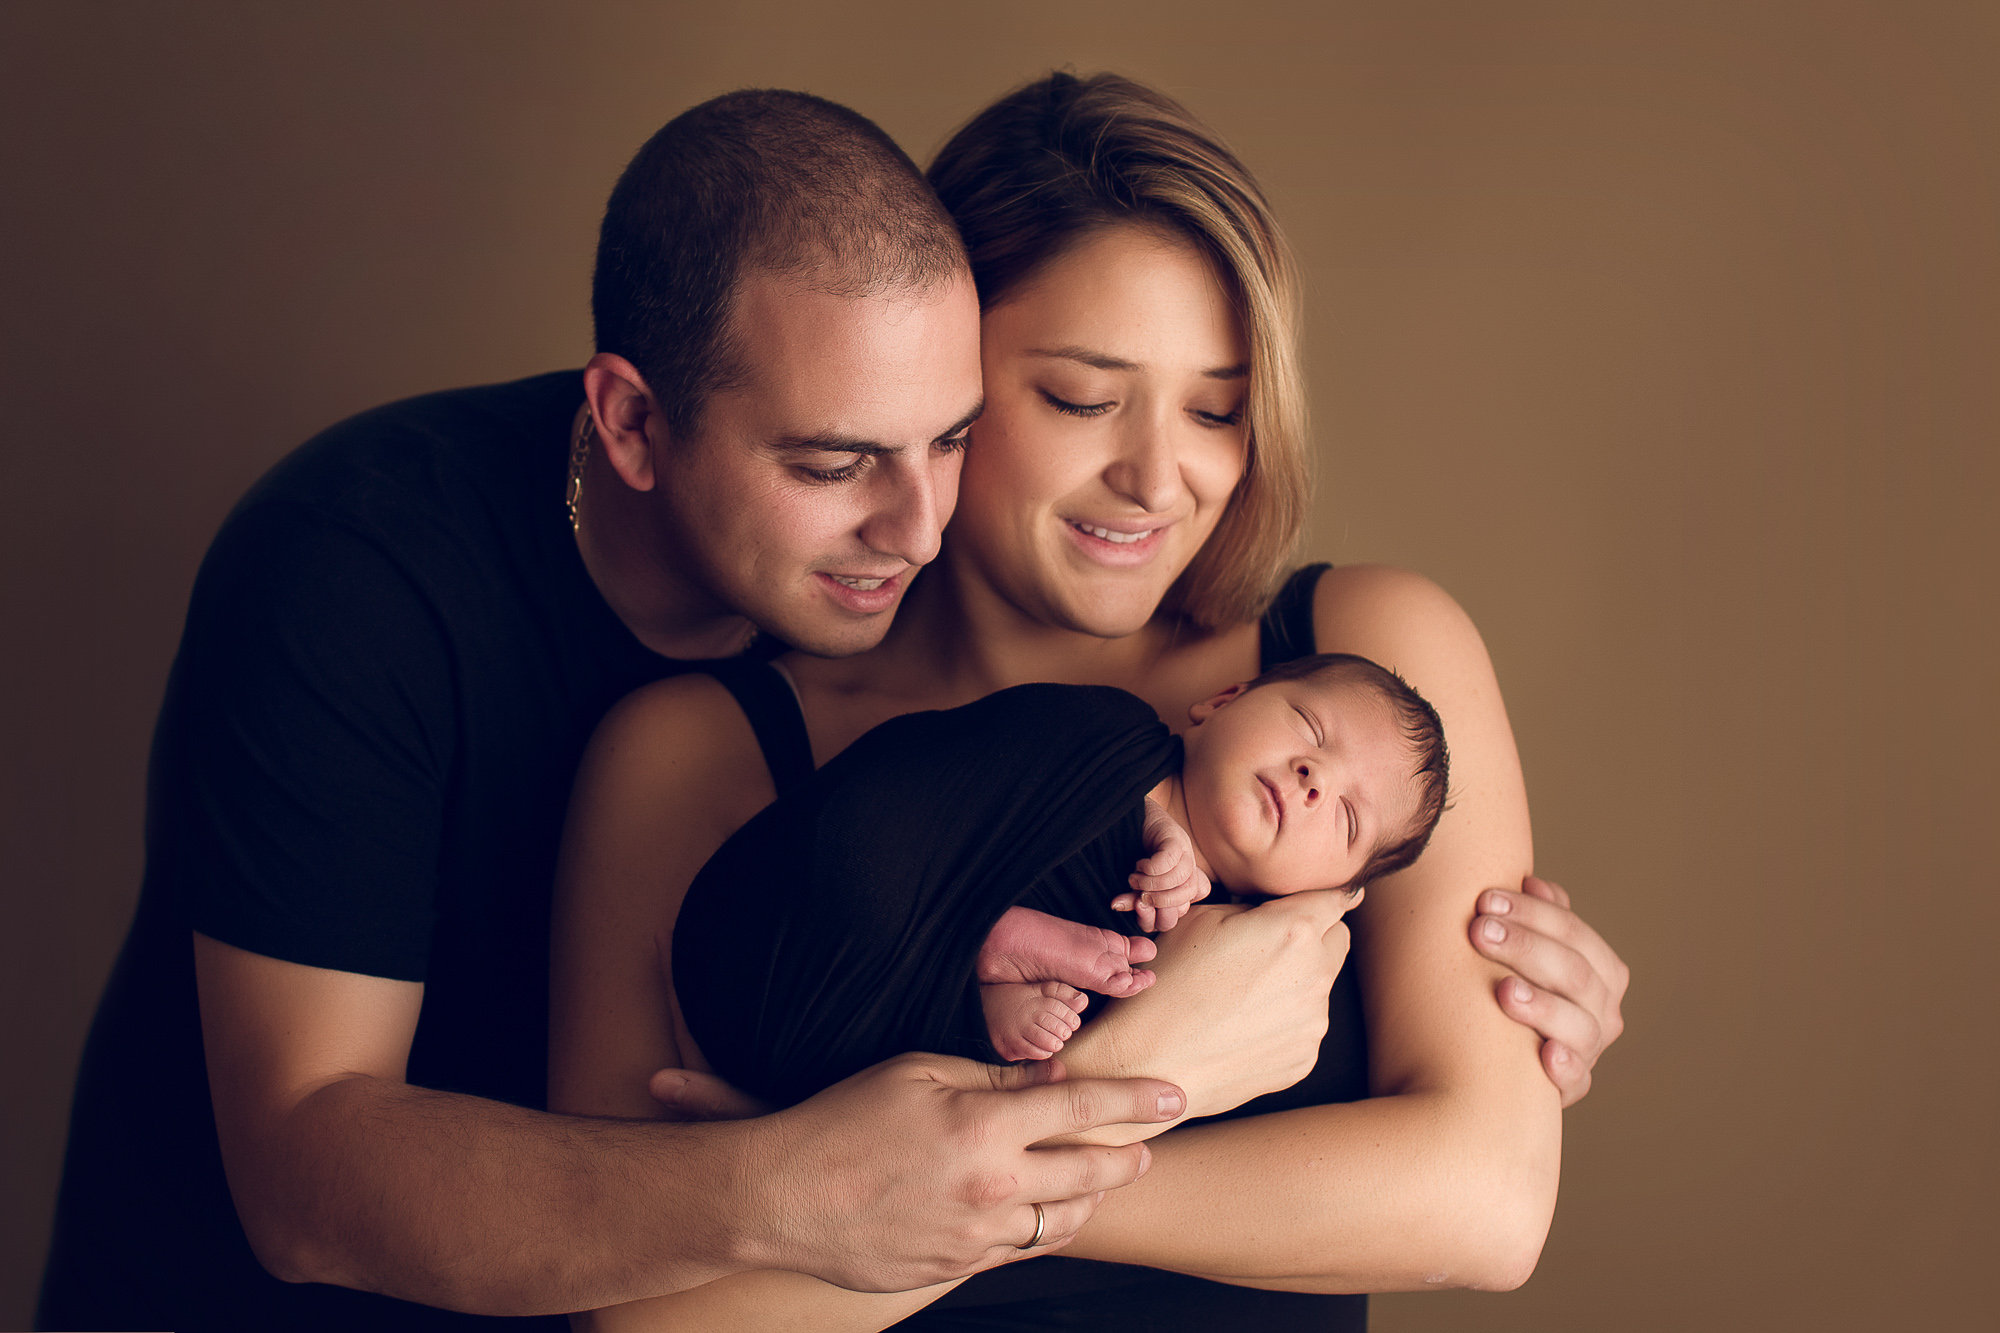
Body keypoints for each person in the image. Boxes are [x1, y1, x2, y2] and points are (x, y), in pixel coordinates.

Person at [36, 90, 1218, 1333]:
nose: (916, 527)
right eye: (830, 466)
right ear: (633, 423)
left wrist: (1410, 848)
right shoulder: (352, 571)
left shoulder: (914, 578)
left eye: (949, 440)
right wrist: (803, 1189)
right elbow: (303, 1176)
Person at [551, 72, 1630, 1333]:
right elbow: (656, 1325)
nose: (1158, 477)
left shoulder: (1363, 667)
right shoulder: (696, 757)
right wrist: (1140, 1069)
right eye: (1079, 397)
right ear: (940, 375)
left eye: (1217, 407)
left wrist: (898, 1194)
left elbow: (1481, 1202)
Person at [673, 652, 1449, 1090]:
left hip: (836, 1032)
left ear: (1330, 895)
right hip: (828, 892)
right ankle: (986, 931)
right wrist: (1160, 824)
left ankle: (982, 987)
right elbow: (962, 773)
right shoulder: (1117, 739)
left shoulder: (1228, 945)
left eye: (1346, 817)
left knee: (1072, 1013)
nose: (1316, 780)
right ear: (1221, 700)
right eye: (1310, 728)